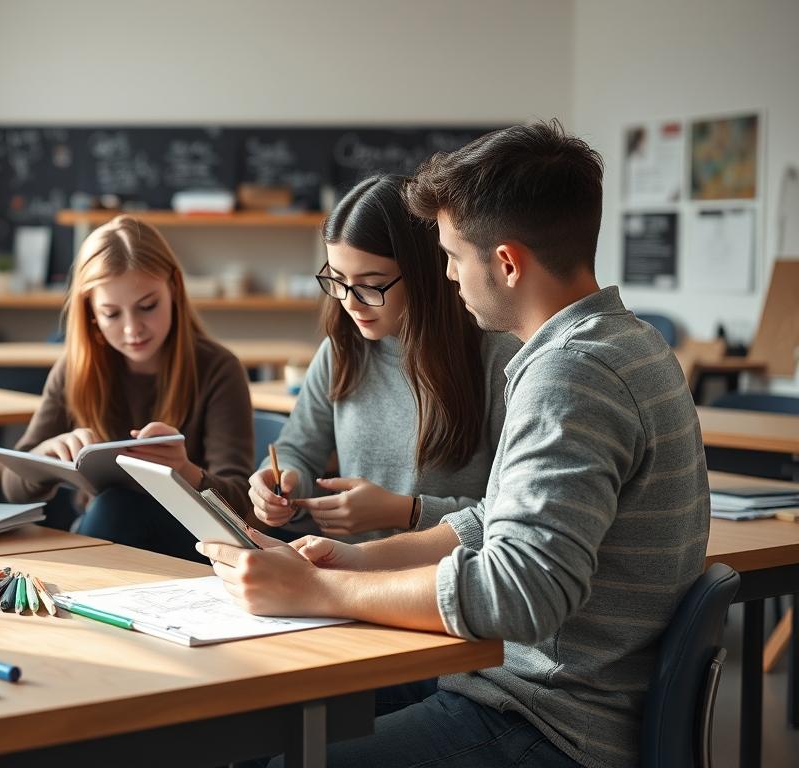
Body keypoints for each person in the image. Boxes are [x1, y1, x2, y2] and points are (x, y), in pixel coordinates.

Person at [203, 122, 709, 768]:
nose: (445, 274)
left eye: (450, 255)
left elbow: (520, 593)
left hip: (545, 719)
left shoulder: (571, 375)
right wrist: (350, 563)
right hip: (521, 684)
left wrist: (317, 594)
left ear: (505, 261)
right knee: (258, 726)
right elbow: (494, 518)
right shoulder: (619, 344)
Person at [251, 174, 518, 543]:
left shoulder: (497, 358)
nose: (349, 301)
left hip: (443, 580)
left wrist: (405, 511)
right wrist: (283, 478)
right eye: (337, 279)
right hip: (349, 574)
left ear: (425, 275)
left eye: (371, 284)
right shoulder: (341, 351)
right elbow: (297, 449)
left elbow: (513, 512)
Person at [1, 215, 253, 561]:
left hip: (194, 550)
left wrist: (185, 471)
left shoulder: (218, 369)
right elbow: (12, 489)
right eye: (111, 314)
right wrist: (43, 456)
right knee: (111, 509)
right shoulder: (76, 369)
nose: (133, 329)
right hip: (106, 542)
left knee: (114, 507)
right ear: (90, 313)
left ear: (175, 289)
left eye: (147, 306)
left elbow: (242, 506)